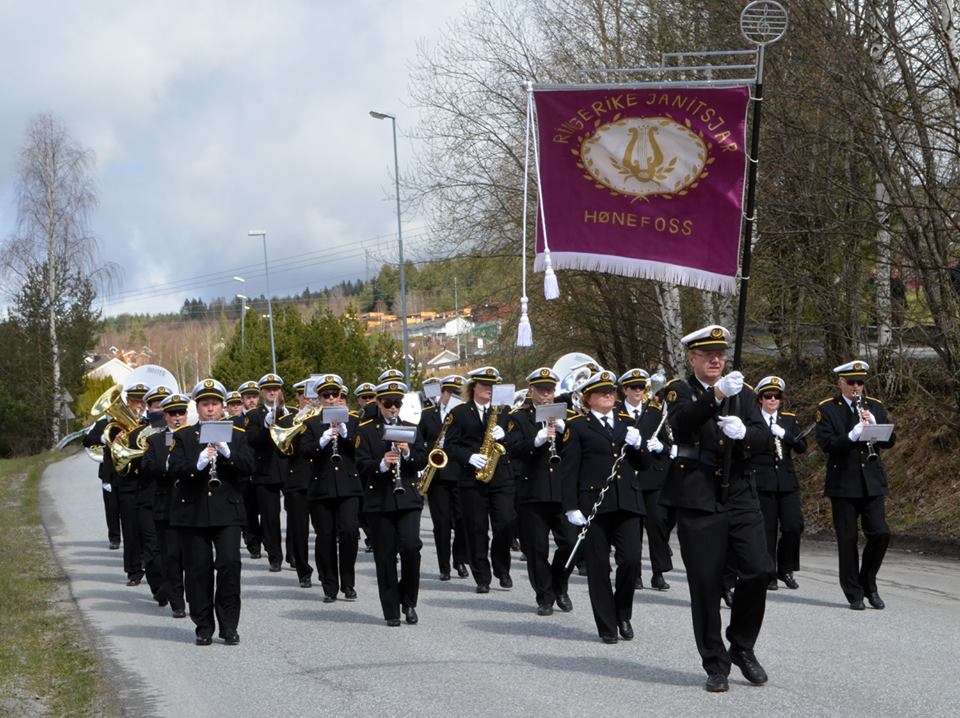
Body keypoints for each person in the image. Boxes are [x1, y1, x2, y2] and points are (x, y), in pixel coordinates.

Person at [660, 325, 773, 693]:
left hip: (740, 493)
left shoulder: (745, 393)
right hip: (699, 497)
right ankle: (715, 661)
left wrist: (745, 432)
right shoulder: (680, 389)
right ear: (692, 357)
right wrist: (715, 395)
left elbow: (765, 440)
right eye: (707, 354)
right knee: (706, 585)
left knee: (757, 571)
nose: (715, 359)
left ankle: (741, 646)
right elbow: (680, 424)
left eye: (720, 354)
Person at [560, 370, 647, 642]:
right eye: (601, 392)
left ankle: (622, 612)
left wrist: (639, 445)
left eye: (610, 390)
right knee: (599, 567)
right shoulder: (578, 427)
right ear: (588, 399)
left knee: (631, 561)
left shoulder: (627, 422)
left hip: (627, 502)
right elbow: (569, 469)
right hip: (594, 505)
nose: (609, 395)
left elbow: (643, 465)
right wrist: (570, 506)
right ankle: (607, 625)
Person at [167, 379, 254, 645]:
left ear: (223, 407)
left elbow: (249, 467)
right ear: (198, 407)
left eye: (215, 404)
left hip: (227, 512)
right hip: (193, 512)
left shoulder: (237, 435)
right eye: (205, 405)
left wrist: (227, 452)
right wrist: (200, 462)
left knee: (229, 565)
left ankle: (229, 626)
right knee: (198, 571)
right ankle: (203, 626)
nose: (210, 410)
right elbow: (174, 470)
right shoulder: (183, 436)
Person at [815, 360, 896, 611]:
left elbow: (890, 440)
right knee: (848, 539)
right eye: (852, 382)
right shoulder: (828, 409)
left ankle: (868, 582)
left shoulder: (875, 406)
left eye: (861, 382)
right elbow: (826, 444)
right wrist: (852, 435)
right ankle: (854, 592)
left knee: (881, 533)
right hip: (843, 483)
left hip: (871, 481)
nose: (857, 387)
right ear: (841, 382)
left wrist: (874, 426)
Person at [355, 381, 427, 626]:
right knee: (384, 556)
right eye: (388, 404)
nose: (393, 408)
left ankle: (408, 601)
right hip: (380, 500)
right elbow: (361, 464)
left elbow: (422, 460)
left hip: (407, 498)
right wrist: (382, 463)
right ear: (378, 403)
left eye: (397, 403)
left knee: (410, 548)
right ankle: (391, 611)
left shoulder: (410, 428)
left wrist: (407, 453)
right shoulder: (366, 430)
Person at [507, 367, 577, 616]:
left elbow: (581, 446)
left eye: (550, 390)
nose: (547, 395)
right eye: (542, 390)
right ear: (532, 391)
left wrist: (564, 431)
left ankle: (559, 584)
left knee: (570, 543)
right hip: (532, 491)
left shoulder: (568, 415)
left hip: (562, 490)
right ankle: (544, 596)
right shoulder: (519, 417)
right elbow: (511, 449)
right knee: (536, 549)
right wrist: (535, 441)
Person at [444, 366, 517, 593]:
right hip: (471, 479)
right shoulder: (459, 413)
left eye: (492, 386)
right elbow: (450, 445)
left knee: (505, 524)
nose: (489, 389)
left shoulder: (504, 412)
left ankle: (502, 567)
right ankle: (482, 577)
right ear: (474, 387)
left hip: (501, 477)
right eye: (485, 385)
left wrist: (506, 436)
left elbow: (517, 440)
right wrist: (469, 457)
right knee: (476, 529)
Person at [302, 374, 362, 601]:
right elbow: (304, 453)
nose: (330, 399)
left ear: (340, 396)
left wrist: (344, 433)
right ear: (319, 398)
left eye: (334, 394)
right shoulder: (310, 424)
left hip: (348, 486)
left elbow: (360, 449)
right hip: (321, 488)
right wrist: (323, 440)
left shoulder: (354, 420)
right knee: (324, 536)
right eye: (325, 395)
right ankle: (329, 585)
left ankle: (348, 581)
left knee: (349, 532)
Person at [618, 368, 672, 591]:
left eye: (641, 387)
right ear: (625, 390)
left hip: (652, 477)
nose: (638, 391)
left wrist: (660, 447)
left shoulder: (654, 413)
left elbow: (668, 445)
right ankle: (635, 573)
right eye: (634, 387)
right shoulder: (616, 413)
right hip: (629, 477)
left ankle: (658, 573)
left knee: (657, 524)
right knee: (633, 528)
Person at [752, 376, 807, 590]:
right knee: (766, 529)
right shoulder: (753, 419)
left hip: (786, 482)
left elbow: (802, 446)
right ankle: (769, 572)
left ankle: (785, 568)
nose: (773, 399)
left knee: (794, 526)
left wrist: (786, 435)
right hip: (762, 481)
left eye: (777, 396)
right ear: (760, 399)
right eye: (768, 396)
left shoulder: (789, 420)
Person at [141, 392, 191, 618]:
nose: (177, 417)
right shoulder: (155, 440)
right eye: (172, 414)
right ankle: (177, 602)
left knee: (190, 556)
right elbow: (148, 469)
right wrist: (170, 464)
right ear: (166, 416)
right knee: (170, 556)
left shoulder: (197, 437)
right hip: (167, 506)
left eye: (181, 412)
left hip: (192, 506)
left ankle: (191, 596)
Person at [418, 374, 470, 581]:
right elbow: (419, 440)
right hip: (437, 476)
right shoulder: (428, 414)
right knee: (441, 523)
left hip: (460, 473)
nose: (453, 397)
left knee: (462, 521)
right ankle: (444, 566)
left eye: (458, 393)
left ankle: (459, 559)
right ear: (442, 393)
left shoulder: (465, 415)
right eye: (449, 392)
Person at [243, 373, 290, 571]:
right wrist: (265, 425)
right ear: (262, 393)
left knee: (296, 516)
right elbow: (252, 440)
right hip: (265, 470)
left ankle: (295, 554)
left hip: (289, 470)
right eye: (268, 389)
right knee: (270, 518)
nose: (272, 392)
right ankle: (275, 556)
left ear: (280, 391)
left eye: (276, 389)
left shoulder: (291, 412)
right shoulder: (254, 415)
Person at [237, 380, 262, 559]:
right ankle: (253, 542)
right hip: (244, 471)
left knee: (267, 512)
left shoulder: (264, 417)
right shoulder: (234, 421)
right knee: (248, 510)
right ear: (242, 399)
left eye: (254, 397)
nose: (252, 400)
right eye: (248, 397)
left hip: (262, 470)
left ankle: (267, 541)